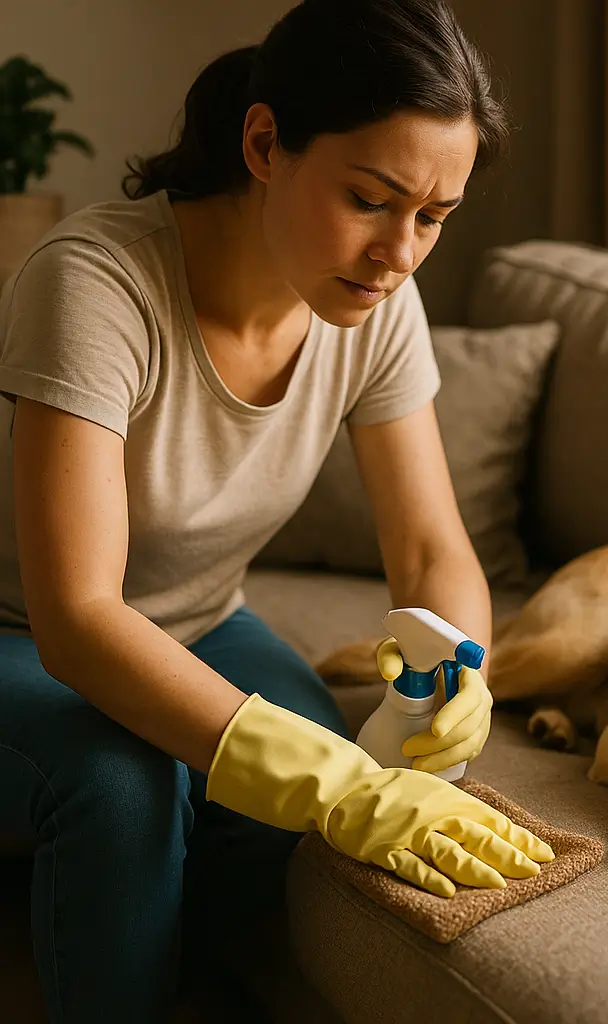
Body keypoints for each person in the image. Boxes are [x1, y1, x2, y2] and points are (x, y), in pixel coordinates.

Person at [0, 1, 554, 1020]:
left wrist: (457, 675)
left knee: (317, 757)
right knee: (130, 784)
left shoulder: (376, 306)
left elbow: (432, 546)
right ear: (264, 144)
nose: (399, 251)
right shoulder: (95, 282)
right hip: (21, 632)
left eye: (432, 217)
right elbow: (76, 617)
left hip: (203, 617)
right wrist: (329, 784)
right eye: (371, 198)